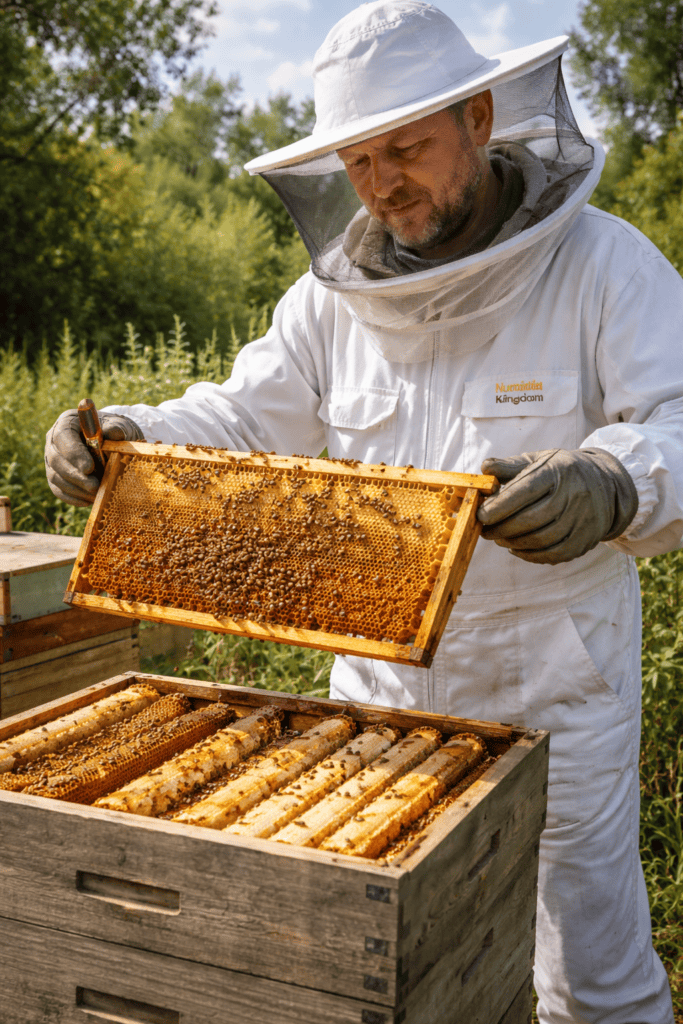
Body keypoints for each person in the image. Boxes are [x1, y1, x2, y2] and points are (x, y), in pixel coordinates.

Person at [45, 3, 680, 1021]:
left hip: (555, 692)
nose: (382, 183)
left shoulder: (603, 267)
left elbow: (678, 424)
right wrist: (126, 432)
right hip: (378, 704)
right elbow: (244, 413)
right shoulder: (326, 302)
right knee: (387, 978)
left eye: (404, 148)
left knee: (589, 982)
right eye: (358, 161)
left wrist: (615, 480)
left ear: (477, 118)